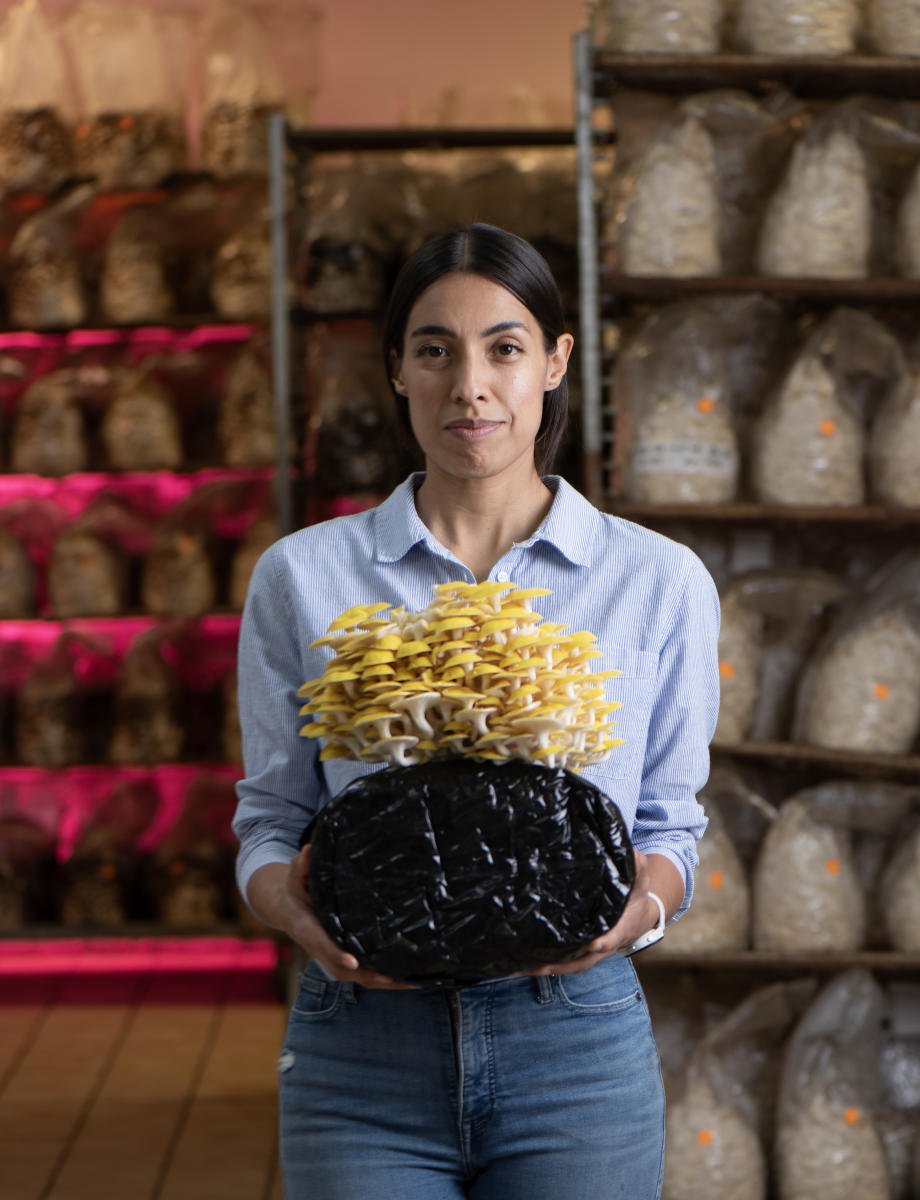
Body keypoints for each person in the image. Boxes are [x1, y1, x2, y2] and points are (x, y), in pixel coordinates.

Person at [232, 223, 720, 1199]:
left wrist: (641, 907)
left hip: (573, 1050)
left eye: (504, 348)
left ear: (554, 363)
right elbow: (270, 821)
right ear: (396, 370)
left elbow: (669, 825)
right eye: (434, 351)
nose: (470, 386)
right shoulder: (302, 576)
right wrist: (294, 912)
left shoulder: (658, 581)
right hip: (361, 1051)